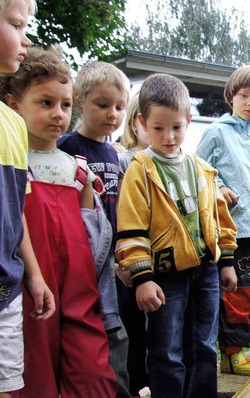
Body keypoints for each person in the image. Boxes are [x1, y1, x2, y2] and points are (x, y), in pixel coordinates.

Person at [1, 45, 119, 397]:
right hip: (31, 283)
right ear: (13, 104)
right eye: (45, 103)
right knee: (34, 365)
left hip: (78, 290)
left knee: (90, 368)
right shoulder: (15, 164)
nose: (58, 114)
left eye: (66, 105)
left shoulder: (76, 168)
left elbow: (94, 235)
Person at [116, 73, 238, 397]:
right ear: (141, 122)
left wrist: (226, 260)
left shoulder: (201, 167)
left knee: (204, 345)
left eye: (176, 127)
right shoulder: (139, 169)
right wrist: (142, 278)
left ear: (188, 120)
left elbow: (218, 217)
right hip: (165, 276)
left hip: (206, 271)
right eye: (158, 128)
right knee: (166, 350)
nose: (168, 136)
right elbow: (131, 227)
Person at [195, 65, 250, 376]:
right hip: (235, 229)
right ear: (231, 96)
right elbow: (199, 171)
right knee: (239, 290)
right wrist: (220, 188)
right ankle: (236, 350)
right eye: (245, 95)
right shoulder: (218, 131)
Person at [57, 60, 132, 398]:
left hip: (116, 254)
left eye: (119, 107)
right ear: (80, 100)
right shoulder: (66, 146)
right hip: (83, 253)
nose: (112, 114)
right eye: (102, 105)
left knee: (119, 329)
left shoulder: (115, 153)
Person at [0, 2, 55, 396]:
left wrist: (33, 275)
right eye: (16, 24)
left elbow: (14, 210)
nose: (27, 37)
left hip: (7, 289)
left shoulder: (12, 125)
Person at [115, 91, 150, 395]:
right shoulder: (125, 161)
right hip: (135, 262)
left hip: (163, 263)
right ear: (137, 122)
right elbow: (122, 215)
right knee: (134, 331)